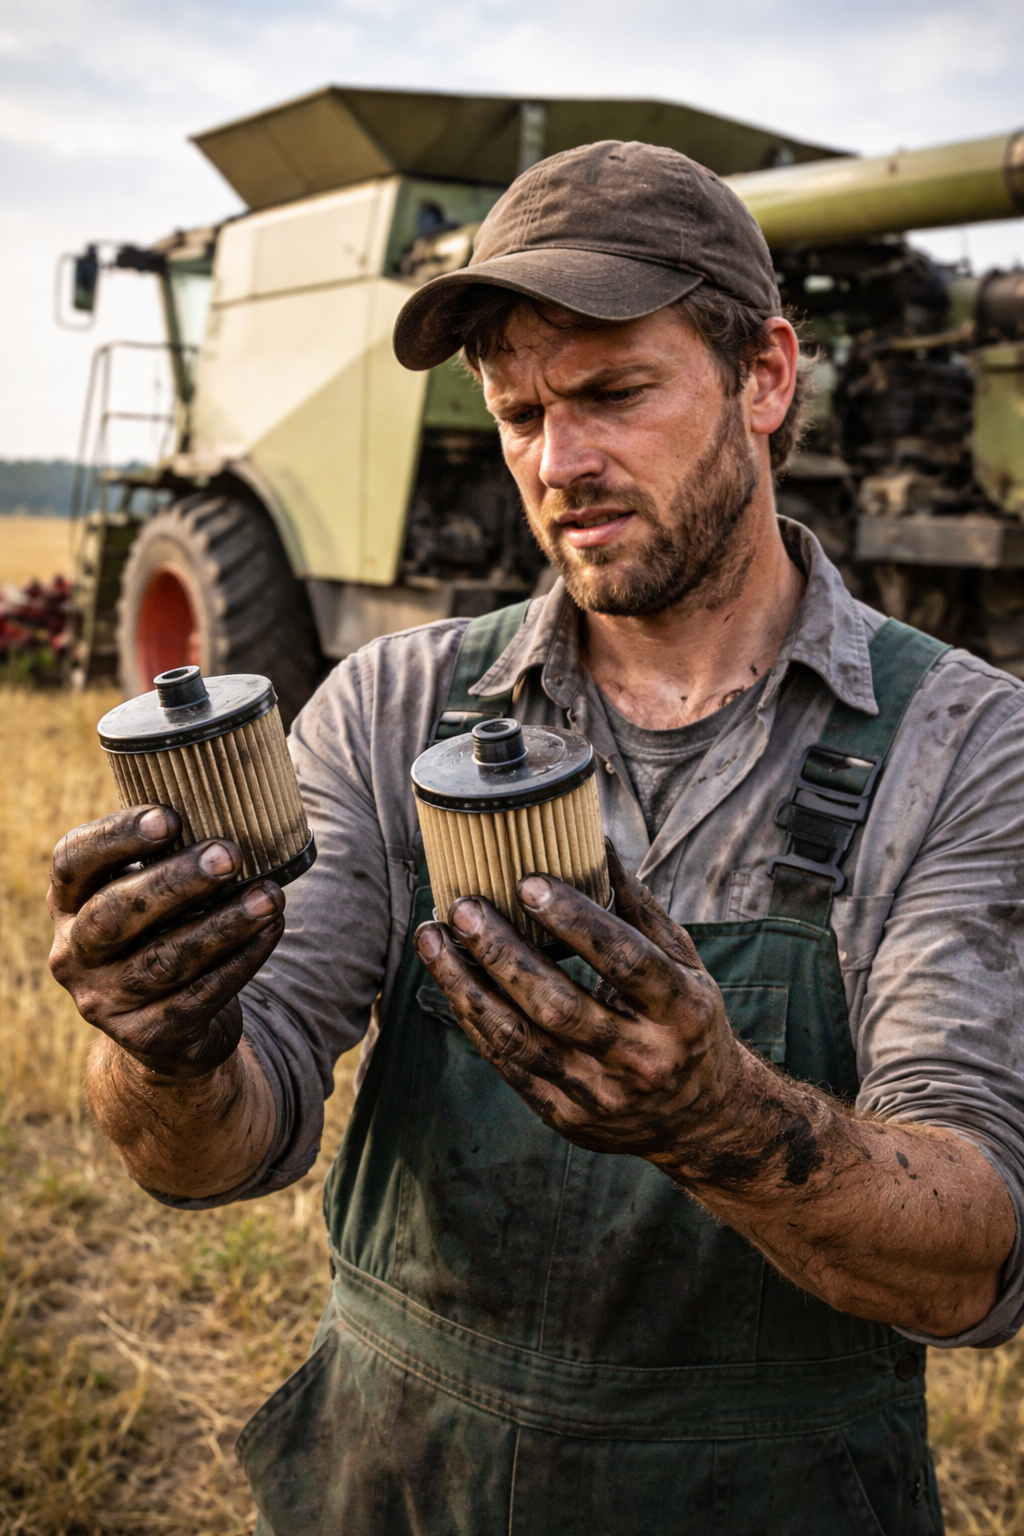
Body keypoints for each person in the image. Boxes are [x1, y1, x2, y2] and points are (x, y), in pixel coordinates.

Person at [47, 141, 1024, 1534]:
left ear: (765, 377)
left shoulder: (964, 745)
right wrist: (165, 1045)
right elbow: (210, 1152)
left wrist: (722, 1121)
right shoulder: (395, 706)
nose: (558, 463)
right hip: (396, 1483)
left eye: (616, 393)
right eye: (518, 414)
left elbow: (967, 1262)